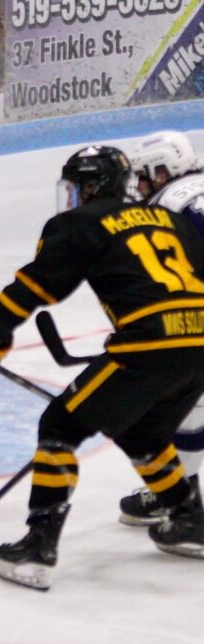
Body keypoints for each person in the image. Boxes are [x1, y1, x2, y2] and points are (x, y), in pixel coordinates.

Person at [0, 145, 204, 591]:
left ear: (92, 187)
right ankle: (189, 519)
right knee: (143, 432)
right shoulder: (167, 218)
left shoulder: (81, 223)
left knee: (59, 427)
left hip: (148, 346)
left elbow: (35, 286)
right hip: (199, 345)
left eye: (76, 186)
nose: (72, 195)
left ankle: (37, 548)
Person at [118, 130, 204, 526]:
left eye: (143, 176)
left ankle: (180, 502)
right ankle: (180, 494)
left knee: (183, 400)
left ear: (164, 171)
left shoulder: (165, 204)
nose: (139, 186)